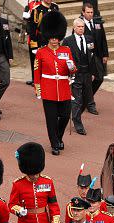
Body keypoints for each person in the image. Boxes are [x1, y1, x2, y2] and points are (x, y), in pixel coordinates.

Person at [34, 11, 76, 155]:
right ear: (47, 37)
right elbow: (37, 72)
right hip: (48, 88)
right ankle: (54, 144)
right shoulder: (41, 52)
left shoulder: (66, 50)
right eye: (52, 37)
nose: (54, 40)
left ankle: (58, 137)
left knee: (65, 116)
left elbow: (72, 70)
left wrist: (72, 68)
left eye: (56, 37)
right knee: (51, 119)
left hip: (64, 88)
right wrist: (38, 89)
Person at [9, 142, 61, 223]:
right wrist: (19, 210)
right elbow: (12, 204)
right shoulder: (18, 184)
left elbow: (53, 205)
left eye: (36, 173)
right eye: (32, 174)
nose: (35, 176)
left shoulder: (48, 182)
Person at [63, 18, 96, 136]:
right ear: (74, 27)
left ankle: (76, 116)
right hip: (75, 73)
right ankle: (78, 124)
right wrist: (67, 73)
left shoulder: (89, 39)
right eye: (79, 27)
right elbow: (65, 59)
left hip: (87, 73)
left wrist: (92, 72)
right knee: (77, 99)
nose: (81, 29)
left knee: (86, 98)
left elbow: (92, 56)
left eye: (83, 27)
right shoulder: (68, 41)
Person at [80, 3, 108, 113]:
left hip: (97, 55)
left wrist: (105, 54)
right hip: (86, 57)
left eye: (91, 12)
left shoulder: (97, 22)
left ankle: (86, 98)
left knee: (99, 78)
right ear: (83, 12)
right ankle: (90, 104)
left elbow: (103, 38)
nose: (90, 14)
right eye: (88, 12)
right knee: (87, 80)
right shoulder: (79, 24)